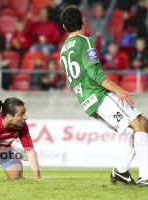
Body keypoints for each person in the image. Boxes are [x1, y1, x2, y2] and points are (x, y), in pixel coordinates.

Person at [60, 5, 148, 186]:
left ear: (64, 27)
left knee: (142, 125)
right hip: (100, 96)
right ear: (83, 21)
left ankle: (121, 171)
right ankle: (145, 177)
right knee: (140, 125)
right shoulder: (85, 42)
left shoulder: (63, 52)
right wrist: (118, 90)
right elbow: (95, 74)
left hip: (87, 102)